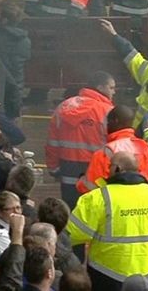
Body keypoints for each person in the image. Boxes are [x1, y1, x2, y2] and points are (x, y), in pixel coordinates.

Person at [65, 151, 148, 291]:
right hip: (144, 275)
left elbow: (72, 233)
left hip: (105, 275)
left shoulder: (98, 198)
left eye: (110, 167)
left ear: (117, 169)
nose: (107, 171)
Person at [45, 71, 115, 211]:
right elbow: (115, 146)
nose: (114, 92)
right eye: (111, 88)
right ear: (100, 87)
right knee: (94, 212)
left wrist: (54, 170)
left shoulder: (63, 107)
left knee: (71, 211)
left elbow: (52, 143)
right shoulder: (107, 111)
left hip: (67, 169)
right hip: (96, 171)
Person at [76, 105, 148, 194]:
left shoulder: (105, 153)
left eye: (108, 122)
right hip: (143, 204)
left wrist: (81, 181)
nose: (106, 127)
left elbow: (88, 188)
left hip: (113, 204)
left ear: (115, 121)